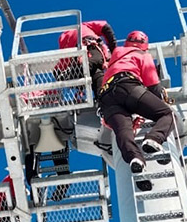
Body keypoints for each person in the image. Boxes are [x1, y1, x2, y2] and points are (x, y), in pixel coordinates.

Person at [96, 31, 176, 191]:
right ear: (144, 44)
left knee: (123, 132)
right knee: (167, 114)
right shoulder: (142, 54)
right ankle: (153, 139)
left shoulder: (115, 58)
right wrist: (160, 97)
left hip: (106, 97)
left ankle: (135, 159)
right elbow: (152, 84)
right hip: (129, 86)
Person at [54, 20, 118, 100]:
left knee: (93, 71)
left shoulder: (67, 43)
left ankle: (101, 98)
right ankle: (102, 99)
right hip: (92, 49)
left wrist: (60, 74)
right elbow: (105, 27)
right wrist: (113, 49)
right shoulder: (84, 26)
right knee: (97, 72)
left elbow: (61, 65)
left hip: (81, 54)